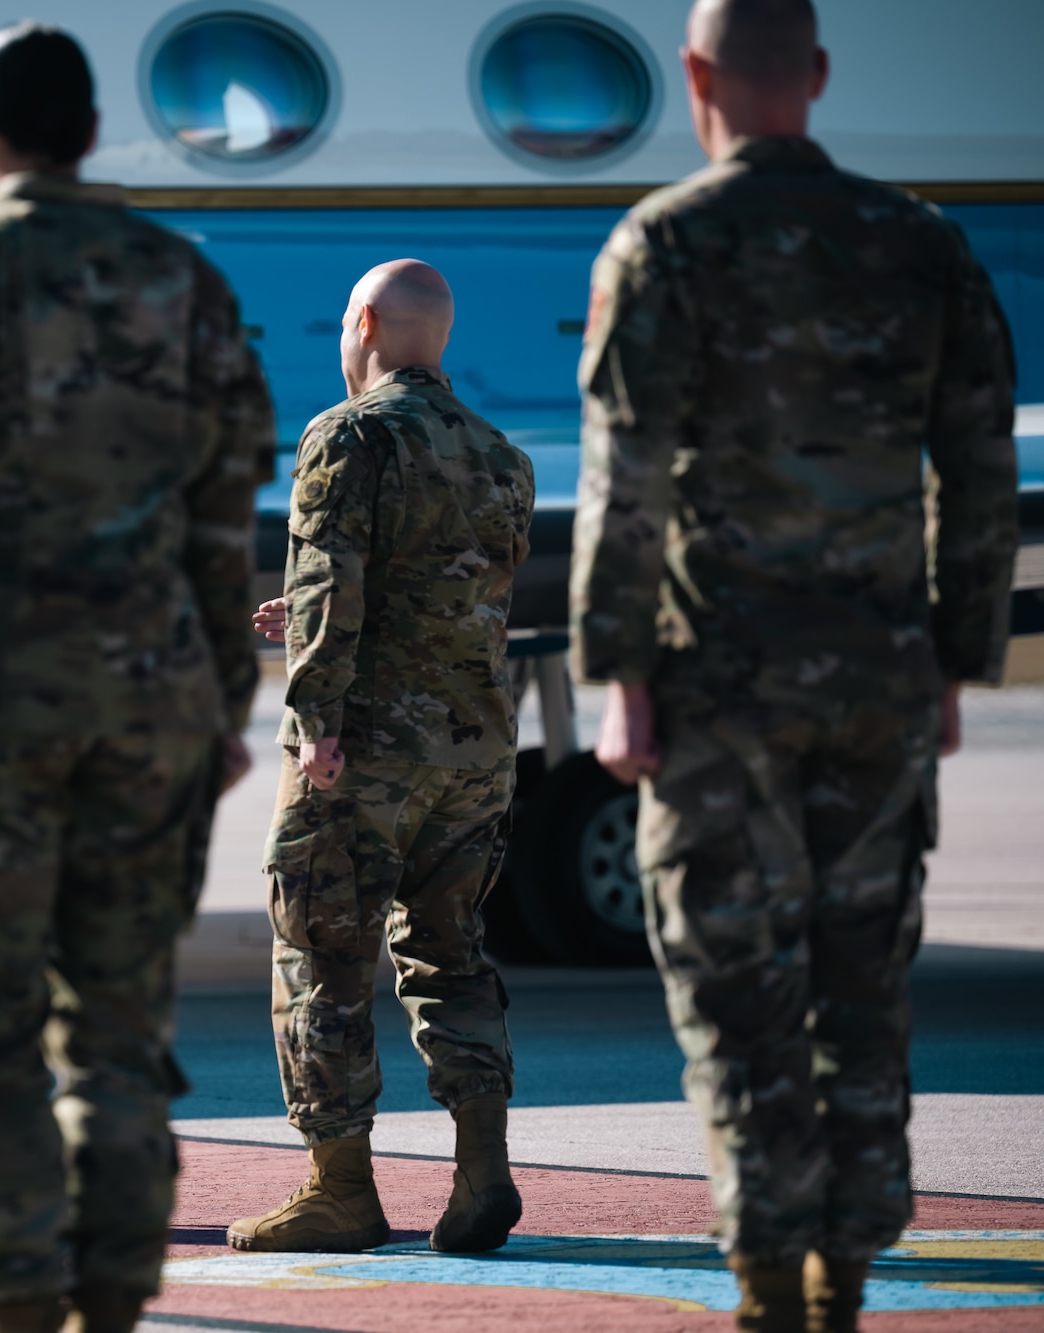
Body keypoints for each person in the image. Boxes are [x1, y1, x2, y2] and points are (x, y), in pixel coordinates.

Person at [570, 1, 1018, 1327]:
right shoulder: (919, 241)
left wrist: (619, 670)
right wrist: (954, 655)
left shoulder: (666, 244)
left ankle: (769, 1269)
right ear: (817, 75)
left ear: (694, 75)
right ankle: (848, 1266)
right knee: (862, 979)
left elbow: (624, 474)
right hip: (878, 674)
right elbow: (981, 469)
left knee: (735, 980)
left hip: (719, 685)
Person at [0, 23, 273, 1333]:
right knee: (120, 1036)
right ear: (89, 133)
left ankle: (23, 1306)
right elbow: (223, 518)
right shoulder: (181, 277)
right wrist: (222, 709)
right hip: (152, 698)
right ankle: (115, 1305)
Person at [230, 262, 535, 1258]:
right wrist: (313, 624)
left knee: (318, 953)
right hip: (473, 750)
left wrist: (313, 715)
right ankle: (480, 1170)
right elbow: (447, 599)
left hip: (361, 749)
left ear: (360, 322)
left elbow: (329, 578)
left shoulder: (347, 432)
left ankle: (339, 1189)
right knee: (448, 949)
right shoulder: (499, 454)